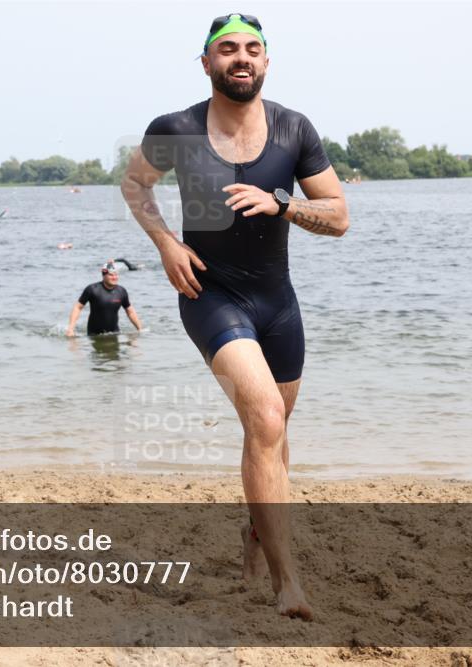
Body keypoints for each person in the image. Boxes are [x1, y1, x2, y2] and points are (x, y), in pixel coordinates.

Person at [121, 14, 350, 619]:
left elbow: (338, 216)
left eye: (252, 48)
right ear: (206, 63)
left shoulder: (294, 128)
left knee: (272, 434)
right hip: (211, 295)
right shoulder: (175, 129)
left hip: (279, 304)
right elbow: (135, 185)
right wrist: (166, 244)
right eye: (227, 49)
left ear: (266, 62)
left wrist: (281, 204)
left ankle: (256, 530)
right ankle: (287, 583)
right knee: (267, 417)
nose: (240, 57)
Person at [65, 260, 142, 336]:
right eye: (111, 275)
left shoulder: (121, 291)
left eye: (116, 275)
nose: (114, 277)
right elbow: (78, 307)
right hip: (94, 335)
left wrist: (140, 329)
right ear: (104, 275)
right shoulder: (92, 289)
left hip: (115, 333)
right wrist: (70, 329)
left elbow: (130, 311)